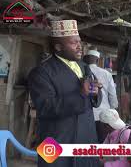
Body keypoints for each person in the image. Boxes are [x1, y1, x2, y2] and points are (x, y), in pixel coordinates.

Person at [28, 20, 101, 167]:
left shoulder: (84, 66)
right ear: (58, 47)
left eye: (79, 42)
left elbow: (94, 100)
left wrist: (95, 93)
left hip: (86, 138)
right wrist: (81, 93)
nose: (80, 46)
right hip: (56, 140)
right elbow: (46, 107)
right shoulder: (41, 73)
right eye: (74, 43)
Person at [83, 49, 119, 143]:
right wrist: (113, 109)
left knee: (87, 142)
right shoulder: (106, 73)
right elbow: (112, 94)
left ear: (85, 60)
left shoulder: (80, 72)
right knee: (102, 141)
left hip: (85, 114)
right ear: (98, 60)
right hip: (103, 115)